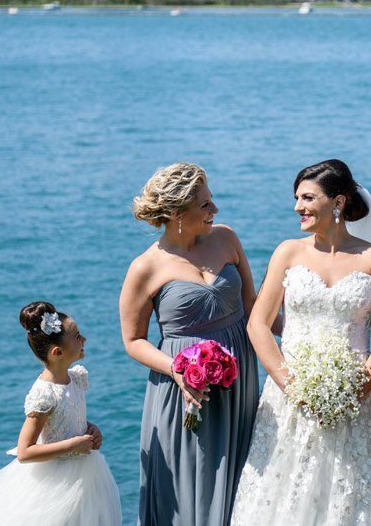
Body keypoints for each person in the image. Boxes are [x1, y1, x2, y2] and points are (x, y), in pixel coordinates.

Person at [231, 159, 371, 526]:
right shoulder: (287, 252)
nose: (298, 207)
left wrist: (357, 389)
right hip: (290, 398)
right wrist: (292, 387)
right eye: (297, 198)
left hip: (357, 400)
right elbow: (258, 325)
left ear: (337, 202)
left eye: (308, 198)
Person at [120, 162, 261, 526]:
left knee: (244, 475)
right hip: (184, 388)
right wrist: (178, 370)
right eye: (205, 205)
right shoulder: (144, 268)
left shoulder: (227, 238)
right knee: (189, 481)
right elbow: (133, 340)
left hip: (240, 380)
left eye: (211, 201)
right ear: (177, 214)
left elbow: (254, 308)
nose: (215, 210)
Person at [0, 301, 121, 525]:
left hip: (84, 476)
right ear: (57, 352)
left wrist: (90, 428)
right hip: (54, 483)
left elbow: (67, 418)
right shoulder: (44, 394)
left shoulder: (76, 378)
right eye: (77, 337)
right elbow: (25, 452)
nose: (84, 340)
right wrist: (73, 445)